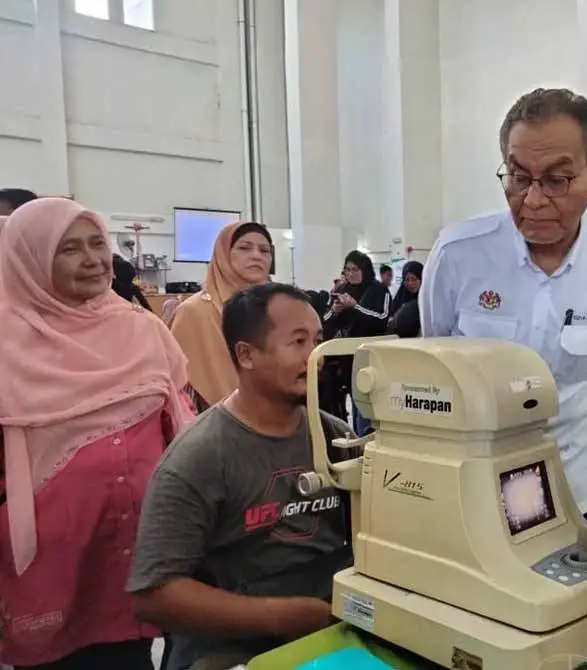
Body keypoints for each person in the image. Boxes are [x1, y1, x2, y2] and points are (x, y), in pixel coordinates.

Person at [420, 88, 587, 517]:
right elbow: (436, 351)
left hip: (574, 485)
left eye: (556, 180)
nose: (532, 200)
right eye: (518, 177)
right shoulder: (458, 254)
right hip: (474, 491)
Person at [0, 198, 192, 669]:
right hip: (48, 565)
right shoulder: (6, 342)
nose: (91, 260)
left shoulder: (143, 330)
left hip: (139, 550)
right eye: (69, 248)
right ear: (30, 260)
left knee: (131, 654)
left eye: (97, 244)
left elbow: (182, 425)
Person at [128, 283, 353, 670]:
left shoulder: (336, 437)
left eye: (317, 339)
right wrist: (279, 616)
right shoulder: (199, 457)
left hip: (332, 625)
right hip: (230, 647)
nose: (314, 355)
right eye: (297, 342)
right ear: (246, 354)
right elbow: (154, 593)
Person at [169, 222, 273, 411]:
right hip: (210, 424)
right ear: (223, 254)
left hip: (277, 417)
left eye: (264, 250)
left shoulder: (278, 308)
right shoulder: (194, 312)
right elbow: (181, 387)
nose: (256, 255)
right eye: (244, 248)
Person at [321, 250, 390, 435]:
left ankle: (366, 443)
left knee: (365, 406)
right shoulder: (342, 291)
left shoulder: (378, 290)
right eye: (347, 270)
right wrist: (335, 309)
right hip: (343, 361)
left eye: (355, 269)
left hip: (368, 358)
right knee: (343, 408)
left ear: (365, 270)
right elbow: (324, 321)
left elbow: (381, 319)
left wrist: (355, 307)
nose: (350, 274)